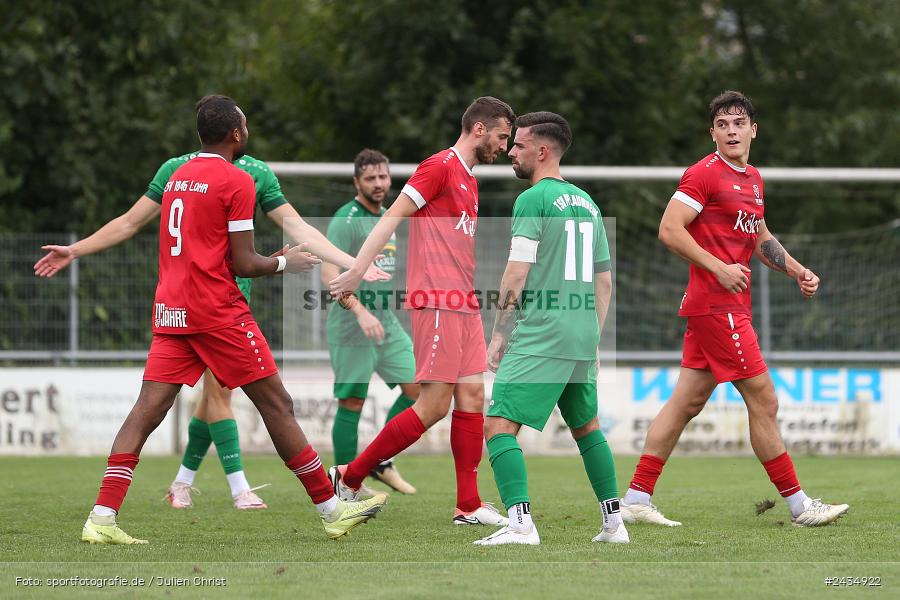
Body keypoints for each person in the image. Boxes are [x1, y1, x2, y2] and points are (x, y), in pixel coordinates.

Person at [34, 95, 386, 511]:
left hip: (175, 307)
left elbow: (130, 222)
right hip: (220, 309)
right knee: (257, 402)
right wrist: (296, 263)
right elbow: (286, 236)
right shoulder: (242, 175)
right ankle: (272, 496)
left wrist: (352, 262)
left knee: (175, 404)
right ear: (235, 131)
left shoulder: (180, 171)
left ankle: (122, 505)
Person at [620, 91, 849, 528]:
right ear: (712, 133)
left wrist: (798, 270)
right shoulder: (704, 175)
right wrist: (718, 267)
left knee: (685, 403)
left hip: (720, 307)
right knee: (764, 398)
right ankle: (800, 506)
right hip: (717, 305)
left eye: (738, 123)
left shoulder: (753, 179)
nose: (731, 130)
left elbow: (759, 236)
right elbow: (669, 230)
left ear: (753, 130)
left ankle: (635, 497)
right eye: (722, 124)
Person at [328, 97, 516, 526]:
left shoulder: (470, 179)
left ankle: (467, 504)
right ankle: (349, 476)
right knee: (432, 406)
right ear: (480, 129)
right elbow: (393, 215)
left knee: (473, 397)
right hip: (435, 299)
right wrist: (356, 270)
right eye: (503, 137)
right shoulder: (440, 167)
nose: (505, 147)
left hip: (463, 302)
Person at [473, 112, 624, 546]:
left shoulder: (533, 199)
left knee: (499, 426)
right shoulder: (588, 203)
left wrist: (500, 333)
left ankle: (520, 525)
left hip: (543, 332)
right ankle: (614, 525)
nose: (510, 152)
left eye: (518, 145)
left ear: (542, 151)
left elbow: (516, 274)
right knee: (587, 428)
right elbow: (604, 280)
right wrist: (592, 335)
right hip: (579, 333)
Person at [322, 149, 419, 495]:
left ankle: (378, 459)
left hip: (386, 322)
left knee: (420, 390)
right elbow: (330, 276)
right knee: (353, 401)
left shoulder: (388, 216)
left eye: (383, 177)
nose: (379, 184)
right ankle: (345, 484)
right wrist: (360, 312)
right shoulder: (346, 220)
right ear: (356, 182)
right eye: (370, 178)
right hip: (352, 326)